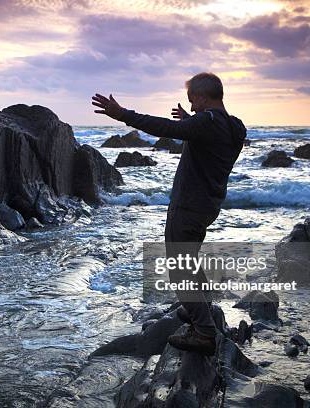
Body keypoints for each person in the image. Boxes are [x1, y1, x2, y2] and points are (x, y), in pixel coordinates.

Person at [91, 72, 246, 355]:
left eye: (193, 101)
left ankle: (204, 332)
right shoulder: (233, 126)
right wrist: (190, 120)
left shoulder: (207, 122)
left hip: (189, 204)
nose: (193, 106)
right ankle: (202, 310)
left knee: (178, 268)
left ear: (202, 96)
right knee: (189, 260)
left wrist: (122, 114)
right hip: (208, 204)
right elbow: (206, 136)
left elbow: (163, 127)